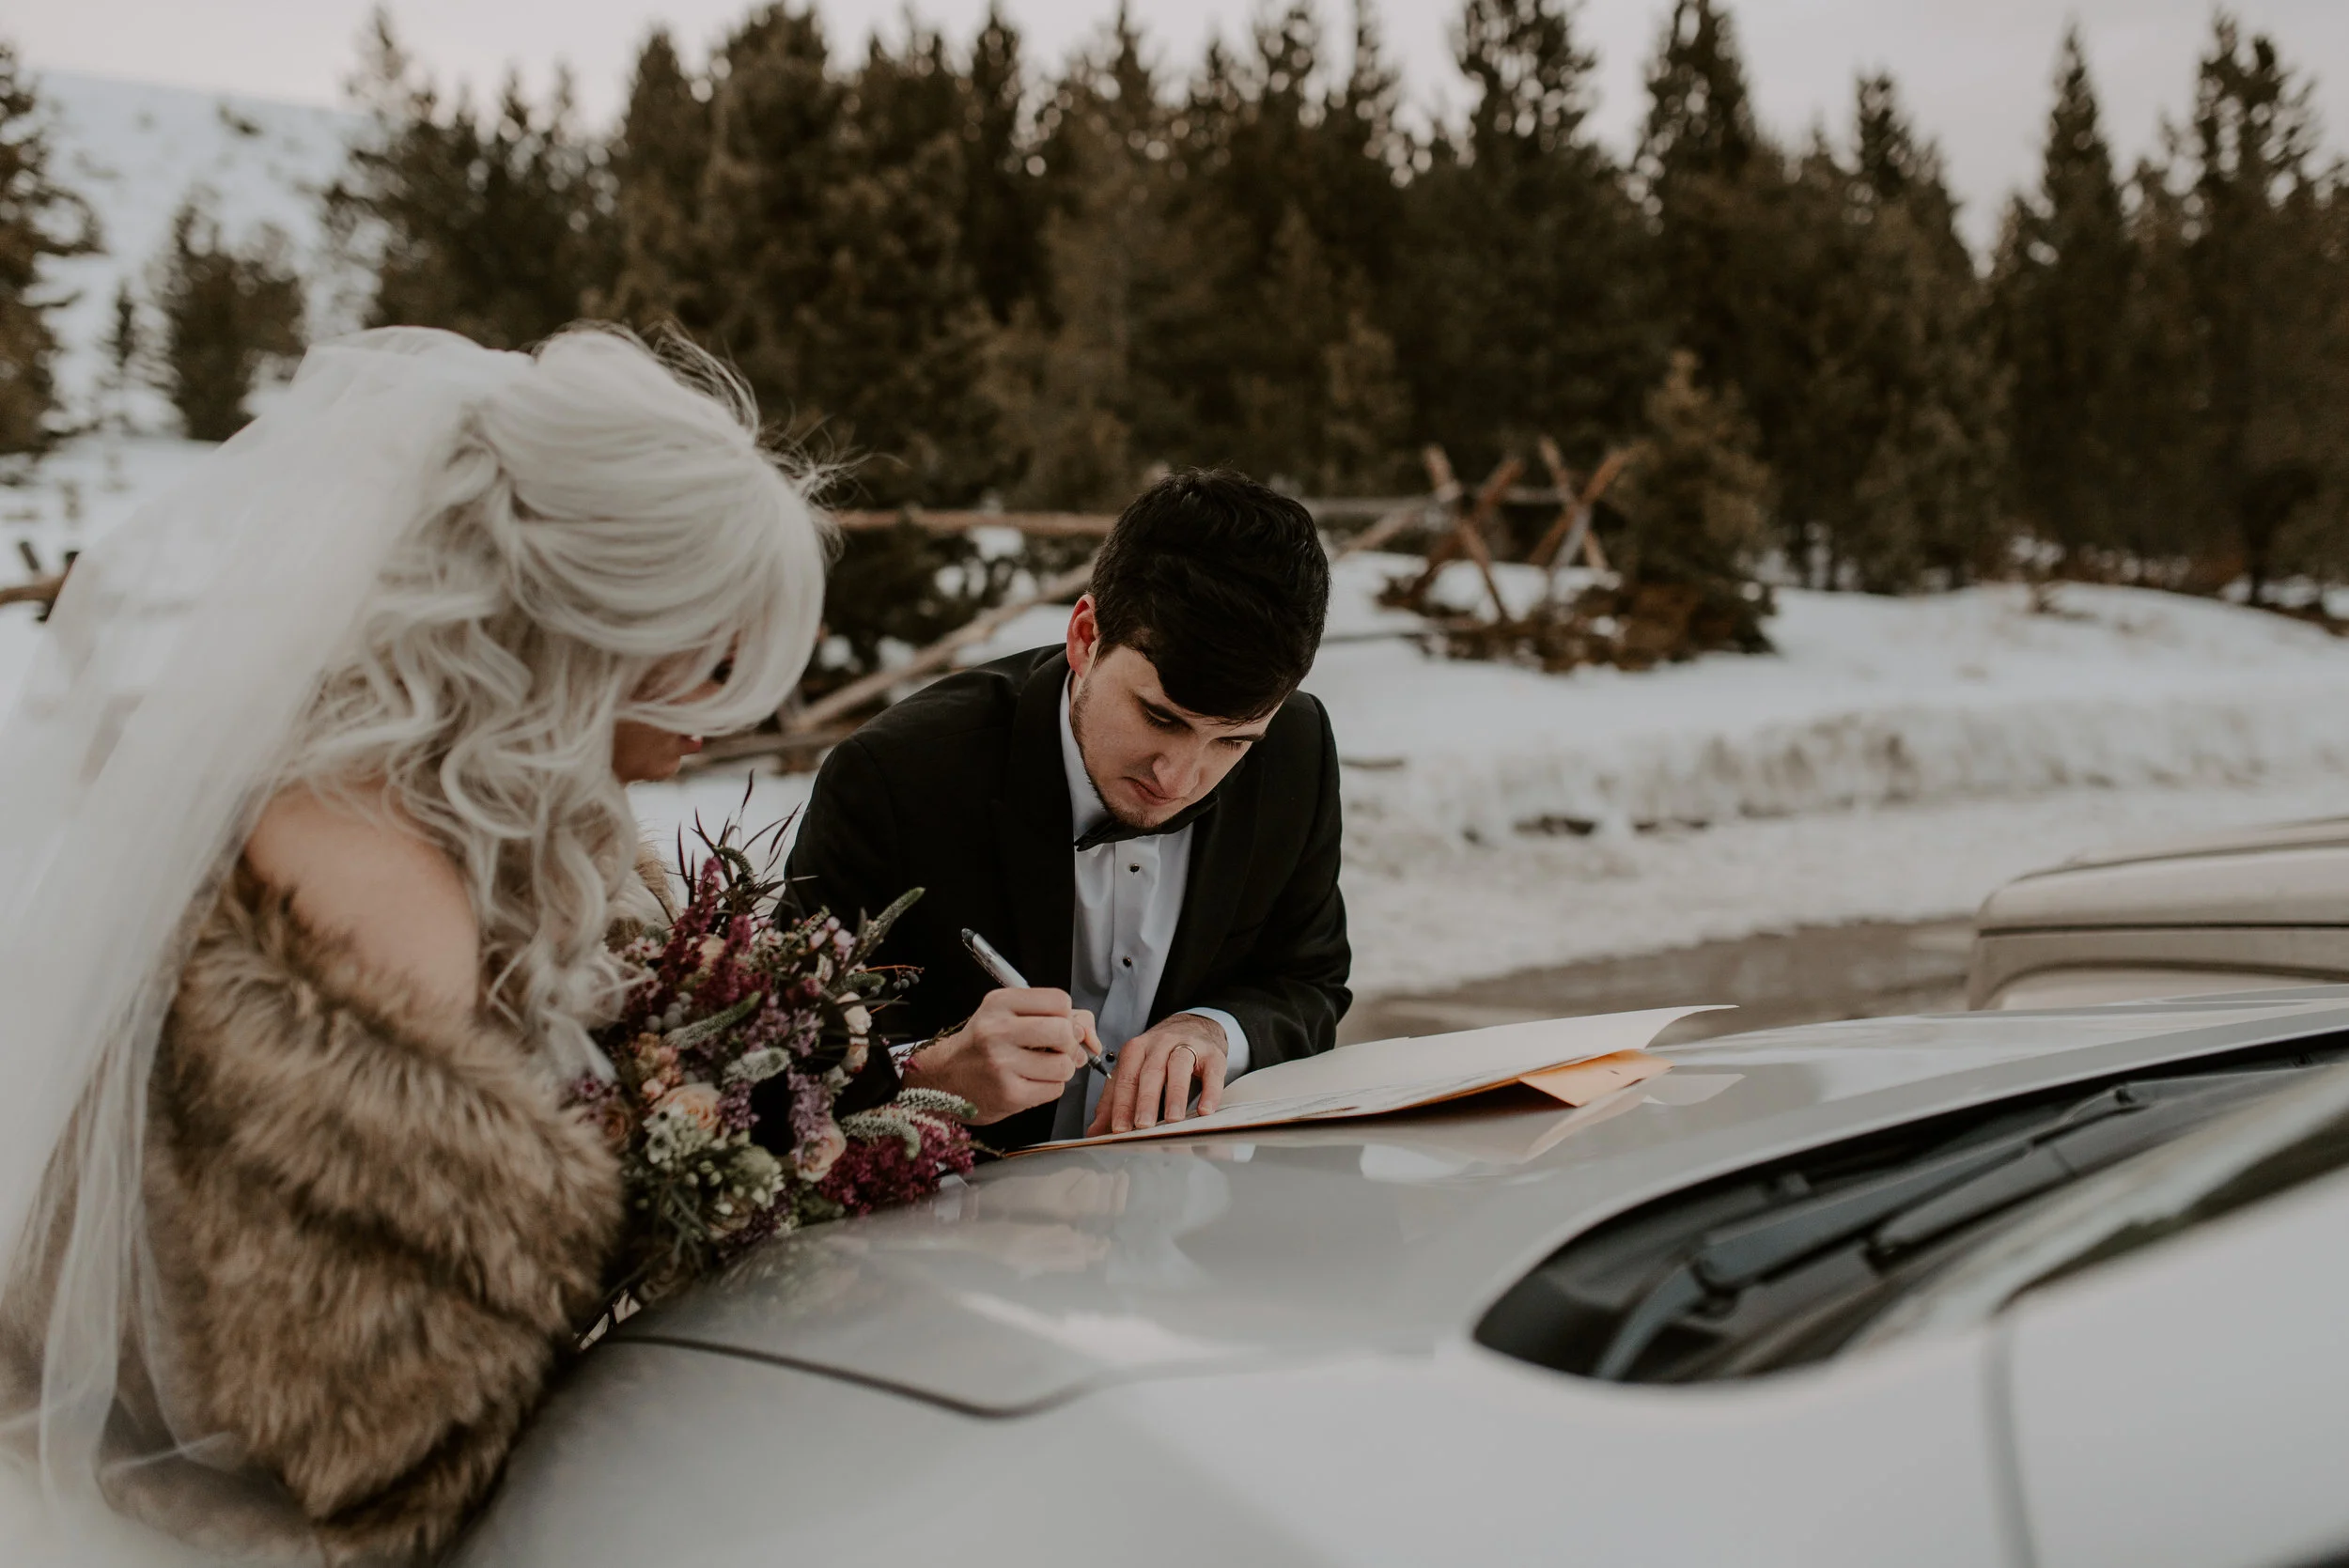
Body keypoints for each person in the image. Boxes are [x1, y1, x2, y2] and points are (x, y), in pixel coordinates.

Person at [0, 325, 831, 1565]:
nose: (729, 713)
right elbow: (393, 1387)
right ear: (598, 634)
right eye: (712, 657)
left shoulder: (495, 809)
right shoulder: (386, 892)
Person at [786, 469, 1350, 1152]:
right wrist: (927, 1075)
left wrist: (1213, 1030)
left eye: (1232, 740)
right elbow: (785, 1058)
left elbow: (1307, 979)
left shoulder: (1297, 750)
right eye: (1158, 717)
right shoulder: (892, 779)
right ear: (1085, 636)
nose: (1180, 778)